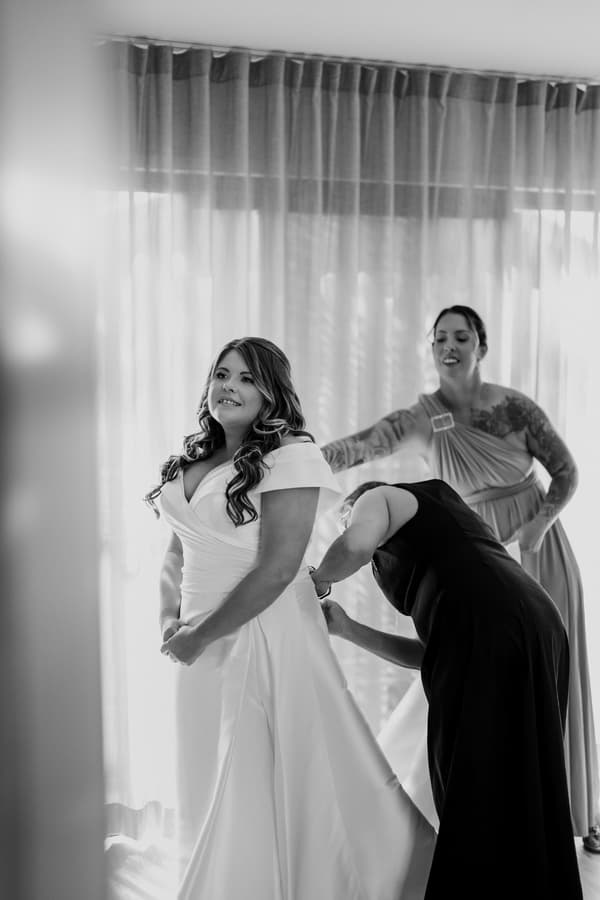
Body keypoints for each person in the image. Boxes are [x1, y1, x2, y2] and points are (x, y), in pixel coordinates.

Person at [144, 337, 435, 900]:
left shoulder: (292, 455)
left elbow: (279, 568)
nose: (229, 386)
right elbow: (176, 550)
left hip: (264, 629)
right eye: (221, 374)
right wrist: (169, 623)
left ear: (271, 392)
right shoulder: (193, 460)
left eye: (247, 379)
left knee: (268, 762)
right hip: (194, 637)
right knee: (210, 762)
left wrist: (200, 634)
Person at [320, 304, 600, 852]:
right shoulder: (422, 419)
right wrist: (293, 464)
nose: (450, 346)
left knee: (547, 672)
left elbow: (565, 471)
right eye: (440, 338)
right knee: (465, 679)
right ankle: (478, 817)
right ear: (430, 349)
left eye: (462, 336)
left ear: (481, 345)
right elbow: (360, 446)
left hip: (533, 544)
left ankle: (568, 811)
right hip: (472, 543)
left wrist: (539, 527)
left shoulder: (516, 407)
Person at [309, 478, 584, 900]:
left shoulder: (379, 498)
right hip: (535, 623)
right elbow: (432, 653)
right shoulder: (445, 530)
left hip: (491, 623)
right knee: (523, 767)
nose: (349, 524)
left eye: (347, 518)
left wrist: (316, 582)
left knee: (468, 771)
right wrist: (348, 629)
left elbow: (354, 546)